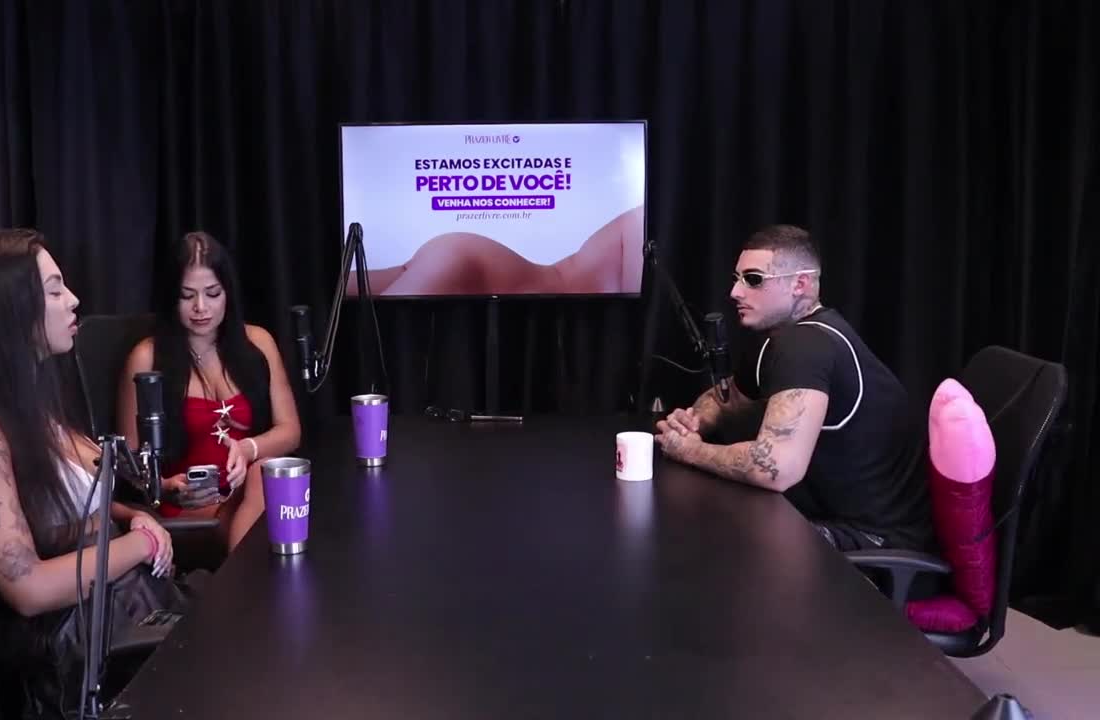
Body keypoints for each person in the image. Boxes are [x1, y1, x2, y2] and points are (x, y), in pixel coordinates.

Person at [0, 229, 196, 718]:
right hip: (81, 651)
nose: (73, 300)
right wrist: (140, 544)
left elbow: (65, 512)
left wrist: (129, 516)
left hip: (125, 608)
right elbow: (27, 588)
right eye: (54, 291)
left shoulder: (33, 405)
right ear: (10, 311)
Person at [655, 224, 932, 552]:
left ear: (800, 284)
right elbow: (727, 399)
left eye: (753, 279)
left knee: (717, 535)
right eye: (737, 278)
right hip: (829, 513)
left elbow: (775, 468)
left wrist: (688, 450)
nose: (735, 292)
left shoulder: (807, 346)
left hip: (876, 539)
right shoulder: (777, 339)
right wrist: (694, 422)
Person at [117, 231, 302, 551]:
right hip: (187, 506)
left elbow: (291, 431)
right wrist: (166, 486)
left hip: (249, 492)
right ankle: (247, 580)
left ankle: (239, 579)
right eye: (187, 296)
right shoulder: (147, 357)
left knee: (265, 475)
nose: (201, 307)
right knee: (264, 499)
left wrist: (248, 449)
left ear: (227, 293)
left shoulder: (258, 342)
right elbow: (127, 463)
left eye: (212, 294)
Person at [348, 205, 645, 296]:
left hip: (464, 256)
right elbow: (643, 310)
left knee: (336, 291)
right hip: (469, 263)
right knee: (369, 334)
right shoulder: (639, 218)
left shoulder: (637, 218)